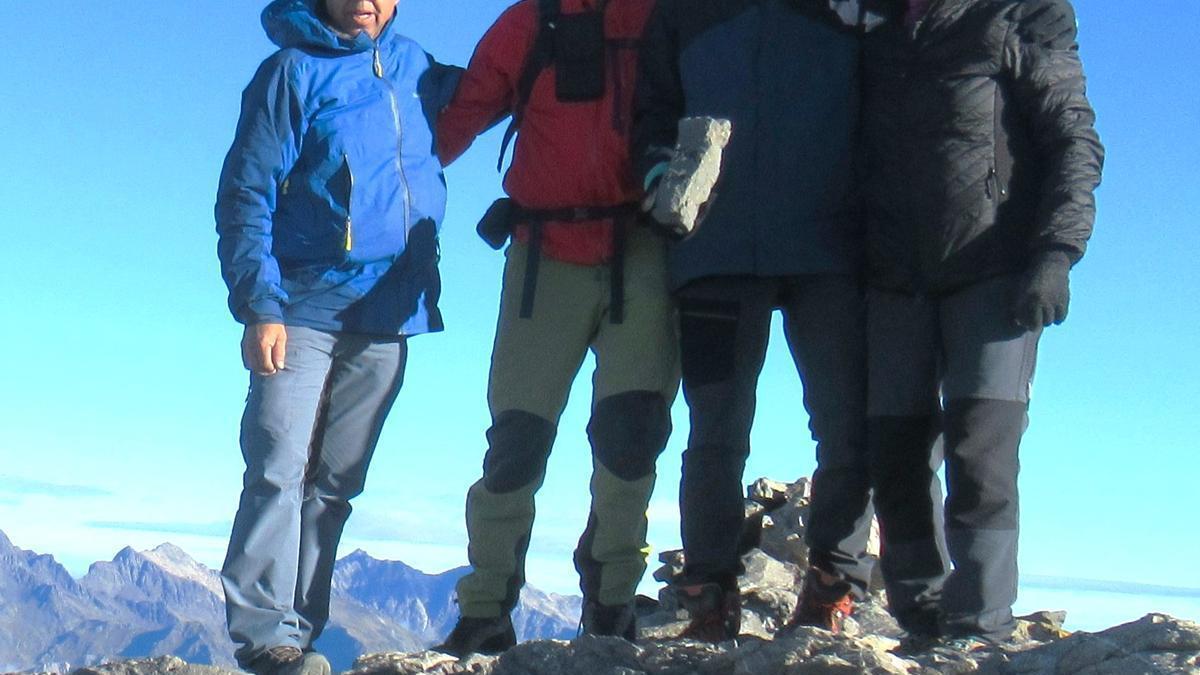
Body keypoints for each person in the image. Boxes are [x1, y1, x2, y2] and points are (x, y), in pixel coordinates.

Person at [214, 1, 460, 673]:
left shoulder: (418, 69)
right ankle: (265, 636)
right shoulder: (292, 72)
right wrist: (259, 305)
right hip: (299, 306)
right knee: (277, 463)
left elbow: (500, 88)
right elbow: (247, 192)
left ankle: (298, 633)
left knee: (336, 483)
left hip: (388, 313)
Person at [633, 0, 889, 641]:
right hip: (717, 249)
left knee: (845, 426)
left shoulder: (850, 9)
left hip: (829, 249)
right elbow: (652, 110)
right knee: (717, 431)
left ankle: (832, 584)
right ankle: (709, 593)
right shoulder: (681, 11)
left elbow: (888, 106)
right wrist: (659, 176)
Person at [431, 0, 679, 657]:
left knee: (631, 436)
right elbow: (455, 120)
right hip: (546, 254)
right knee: (518, 437)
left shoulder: (661, 14)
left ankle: (612, 601)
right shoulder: (529, 22)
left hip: (640, 247)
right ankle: (488, 608)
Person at [859, 0, 1103, 649]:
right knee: (895, 455)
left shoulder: (1019, 16)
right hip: (892, 279)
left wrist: (1057, 251)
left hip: (994, 273)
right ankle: (921, 618)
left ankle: (978, 627)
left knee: (981, 452)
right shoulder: (873, 29)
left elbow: (1074, 138)